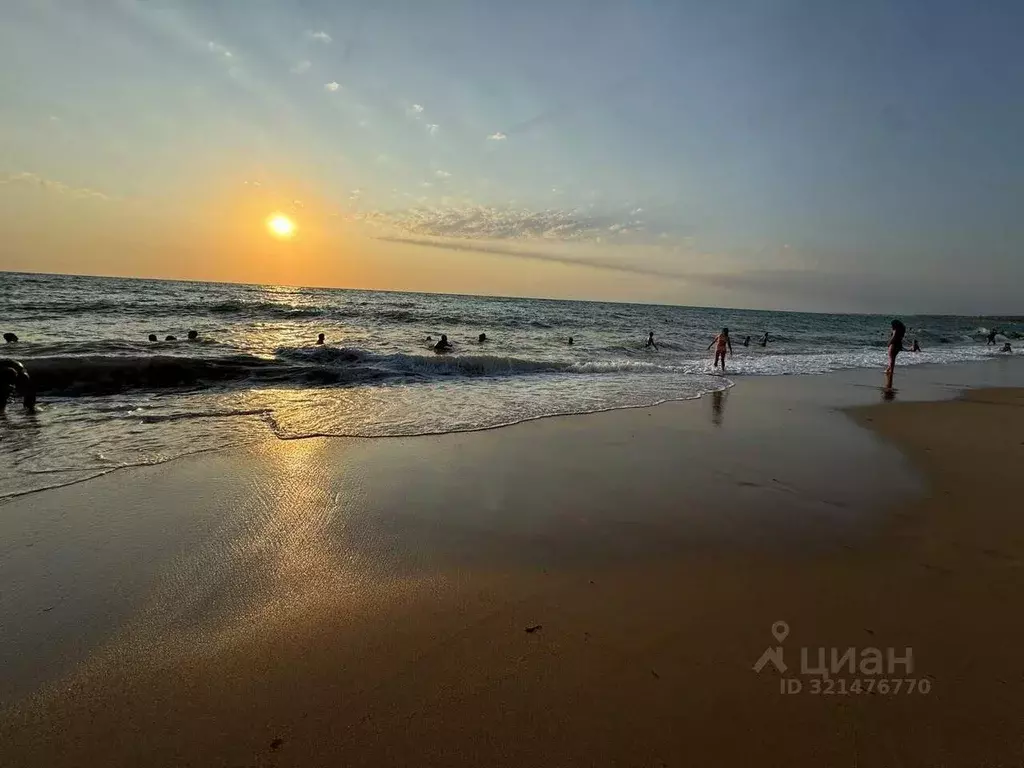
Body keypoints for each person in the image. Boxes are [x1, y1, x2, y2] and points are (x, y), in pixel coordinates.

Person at [885, 318, 906, 390]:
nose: (891, 326)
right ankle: (888, 370)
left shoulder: (895, 330)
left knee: (891, 358)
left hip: (894, 344)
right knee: (893, 359)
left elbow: (893, 337)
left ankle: (890, 371)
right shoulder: (902, 331)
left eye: (892, 325)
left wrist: (889, 343)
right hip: (899, 345)